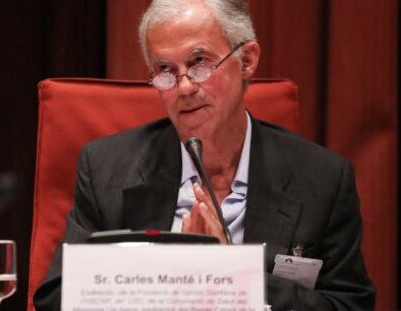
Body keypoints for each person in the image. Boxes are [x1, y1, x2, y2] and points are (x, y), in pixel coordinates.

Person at [34, 0, 375, 310]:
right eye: (165, 70)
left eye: (199, 63)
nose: (183, 87)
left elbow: (348, 305)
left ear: (247, 60)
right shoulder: (107, 166)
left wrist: (229, 271)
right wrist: (178, 269)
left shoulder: (321, 179)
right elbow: (56, 297)